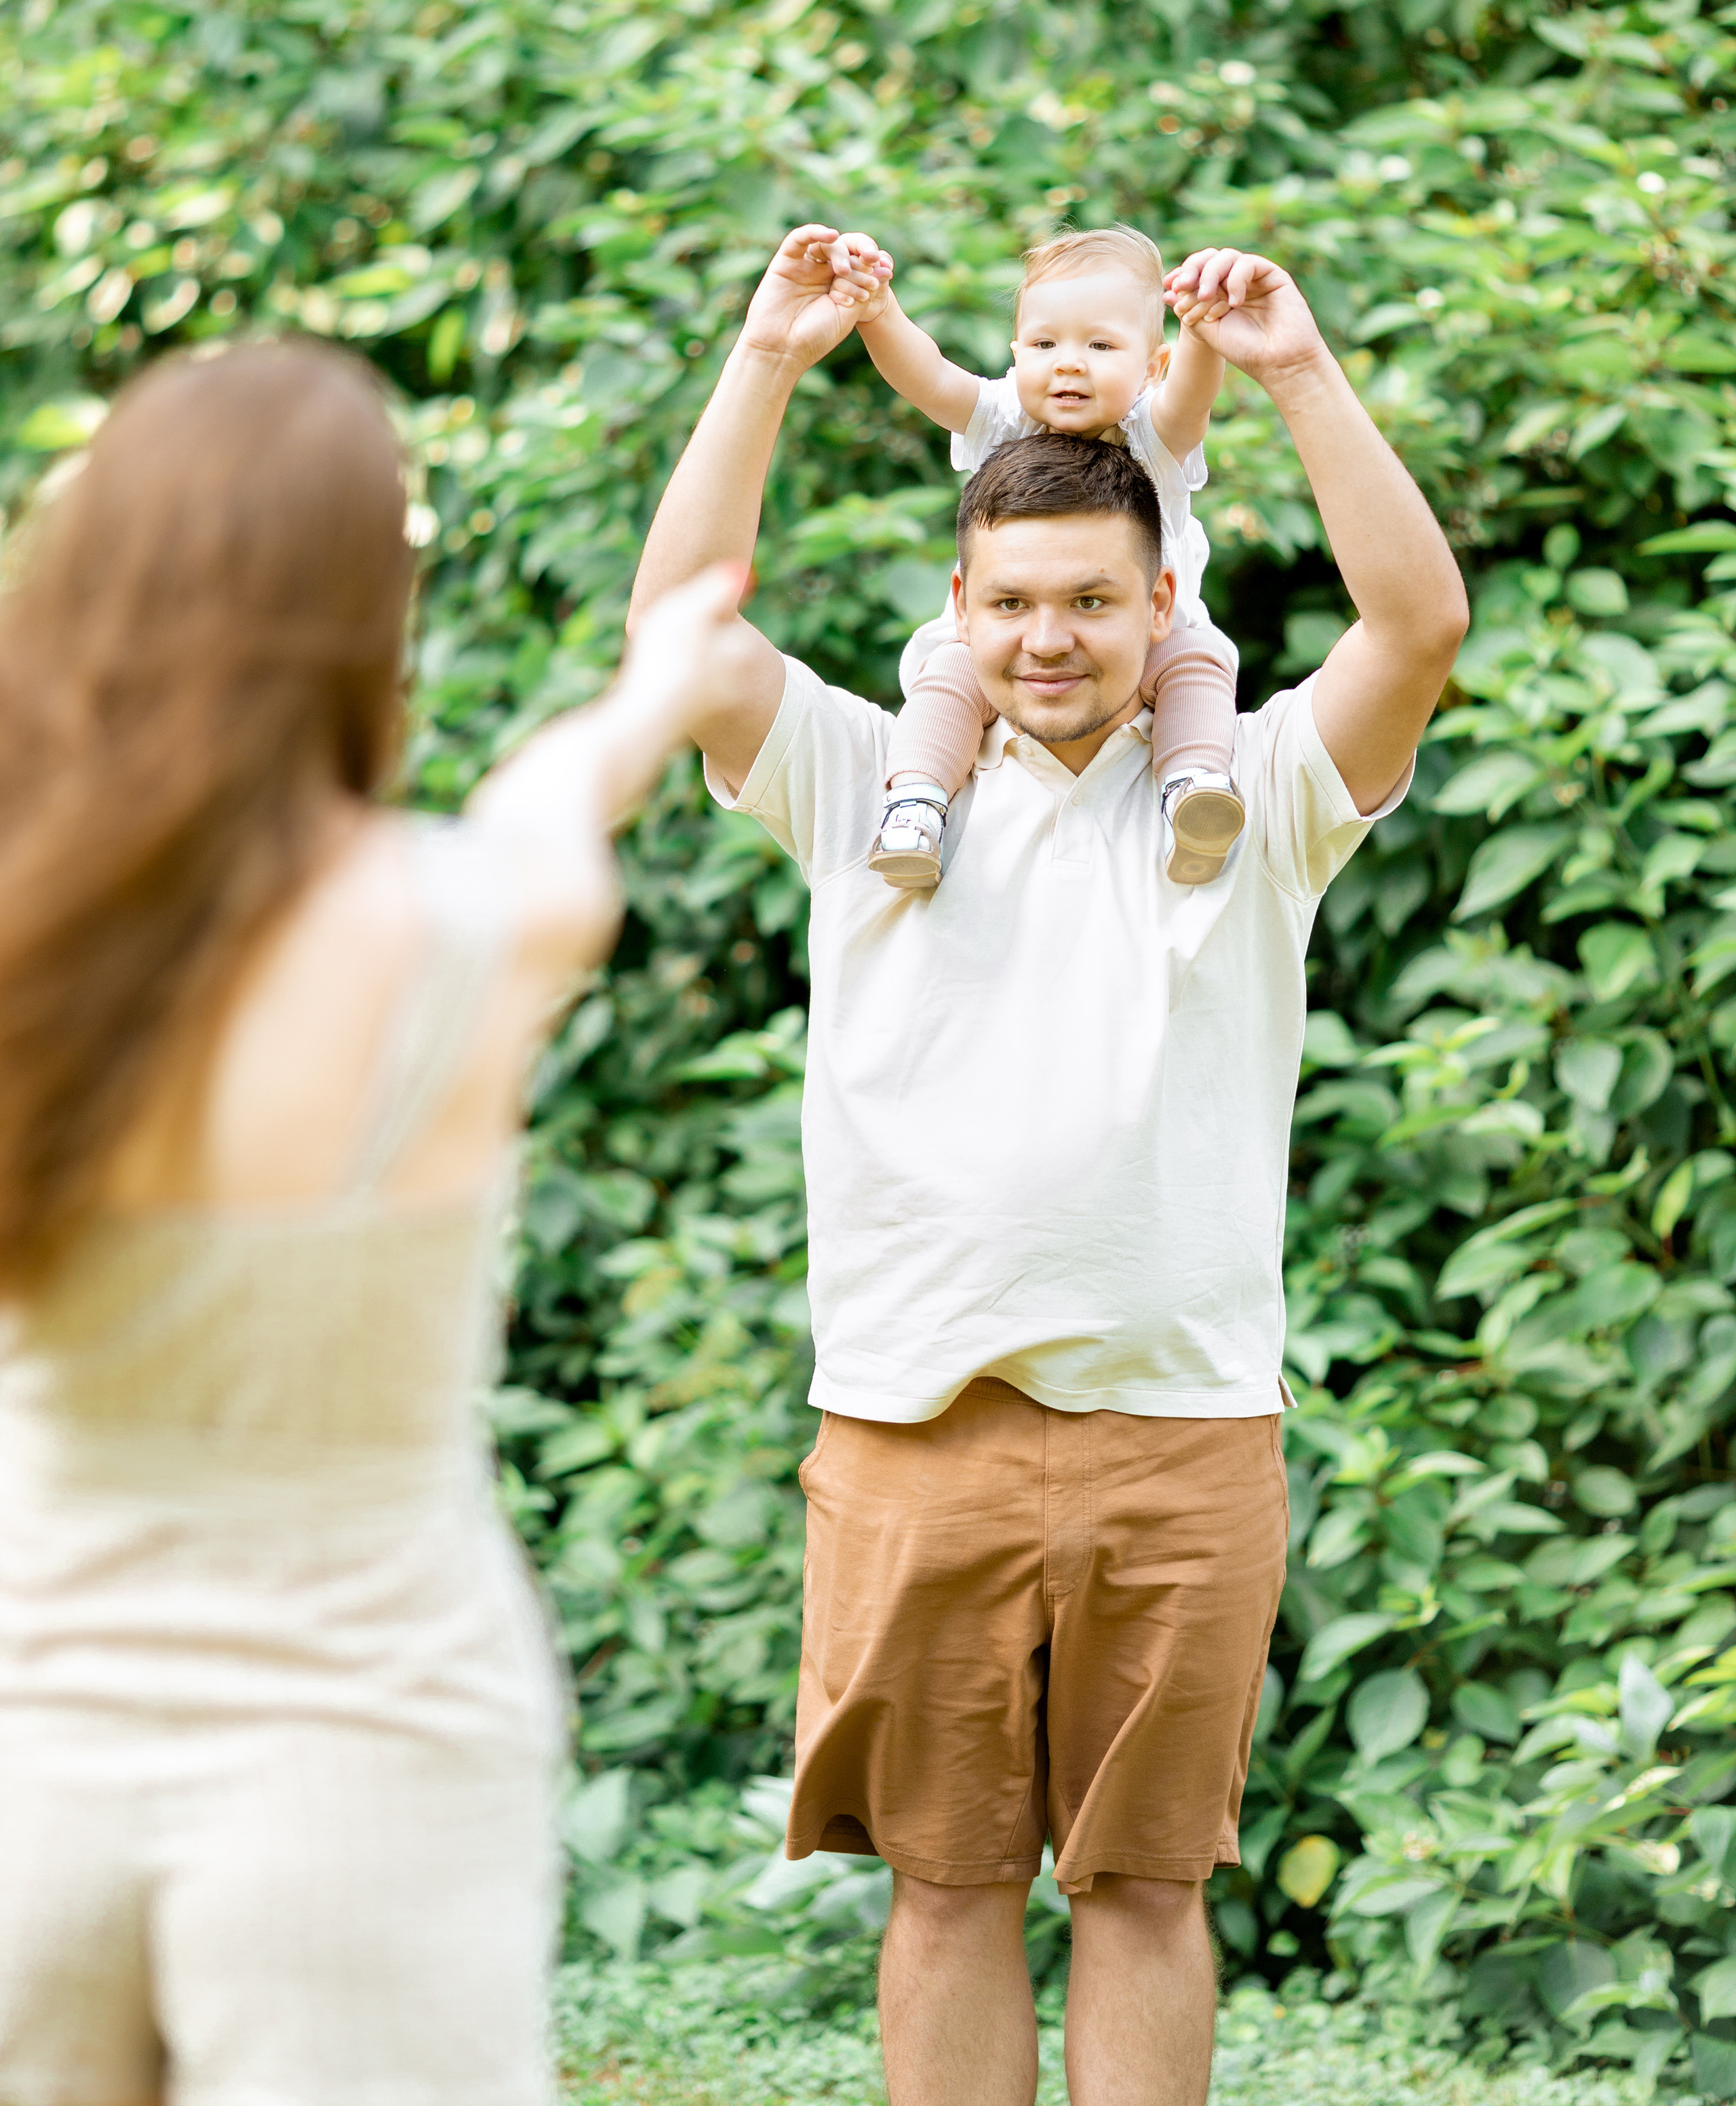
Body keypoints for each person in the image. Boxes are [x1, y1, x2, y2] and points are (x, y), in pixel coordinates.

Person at [629, 230, 1468, 2106]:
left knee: (1147, 1890)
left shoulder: (1251, 799)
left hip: (1182, 1430)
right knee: (941, 1891)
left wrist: (1295, 370)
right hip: (913, 1427)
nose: (1048, 637)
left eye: (1091, 599)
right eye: (1011, 601)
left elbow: (1415, 629)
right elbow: (680, 621)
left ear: (1161, 601)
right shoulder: (868, 787)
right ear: (960, 601)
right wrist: (766, 358)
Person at [0, 338, 753, 2106]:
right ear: (368, 622)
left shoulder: (30, 961)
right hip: (371, 1755)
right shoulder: (463, 924)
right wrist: (656, 688)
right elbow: (549, 803)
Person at [850, 223, 1244, 890]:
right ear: (1016, 355)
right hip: (1004, 637)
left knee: (1198, 666)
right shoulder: (1004, 416)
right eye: (1044, 344)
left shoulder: (1153, 431)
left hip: (1151, 635)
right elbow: (928, 377)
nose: (1068, 363)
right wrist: (877, 310)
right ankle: (914, 802)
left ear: (1153, 367)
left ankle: (1194, 788)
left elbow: (1193, 397)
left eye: (1100, 345)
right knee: (950, 677)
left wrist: (1204, 331)